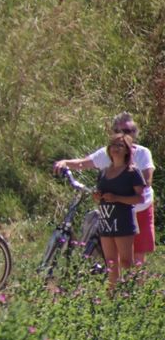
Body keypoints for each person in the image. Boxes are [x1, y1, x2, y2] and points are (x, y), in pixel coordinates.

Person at [54, 112, 155, 266]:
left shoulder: (142, 153)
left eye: (128, 131)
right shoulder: (108, 153)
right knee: (114, 258)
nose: (123, 136)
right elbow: (84, 163)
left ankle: (133, 287)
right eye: (119, 132)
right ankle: (116, 288)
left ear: (134, 134)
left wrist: (118, 191)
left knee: (137, 256)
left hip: (140, 208)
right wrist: (65, 162)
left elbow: (147, 181)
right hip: (115, 211)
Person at [91, 133, 146, 290]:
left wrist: (117, 198)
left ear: (127, 150)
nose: (115, 148)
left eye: (119, 145)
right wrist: (96, 196)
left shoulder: (132, 172)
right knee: (110, 262)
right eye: (113, 145)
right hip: (106, 221)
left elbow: (139, 198)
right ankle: (112, 295)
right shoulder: (103, 172)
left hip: (123, 221)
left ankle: (129, 293)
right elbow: (98, 196)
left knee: (126, 261)